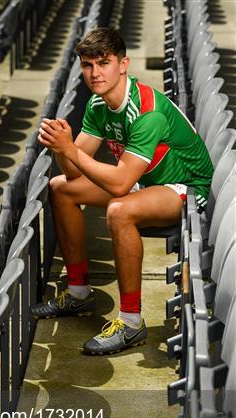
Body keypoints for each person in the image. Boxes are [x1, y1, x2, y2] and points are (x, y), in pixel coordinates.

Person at [31, 27, 213, 355]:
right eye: (87, 65)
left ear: (123, 64)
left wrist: (69, 150)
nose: (95, 73)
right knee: (61, 189)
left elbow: (118, 185)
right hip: (148, 183)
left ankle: (131, 323)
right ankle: (78, 292)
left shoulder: (147, 112)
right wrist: (63, 147)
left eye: (103, 63)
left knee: (120, 209)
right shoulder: (98, 107)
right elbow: (72, 171)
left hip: (187, 189)